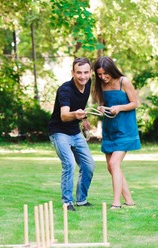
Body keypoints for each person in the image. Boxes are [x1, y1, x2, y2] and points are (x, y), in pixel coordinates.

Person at [92, 56, 141, 209]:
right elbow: (103, 103)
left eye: (105, 74)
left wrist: (119, 107)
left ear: (111, 70)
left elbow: (135, 103)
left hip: (125, 129)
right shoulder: (100, 84)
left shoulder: (123, 81)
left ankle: (116, 203)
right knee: (111, 167)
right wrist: (101, 107)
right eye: (99, 74)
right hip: (110, 129)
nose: (103, 77)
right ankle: (130, 202)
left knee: (114, 163)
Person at [48, 57, 95, 211]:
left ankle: (81, 200)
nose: (83, 76)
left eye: (86, 72)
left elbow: (80, 106)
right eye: (79, 72)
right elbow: (64, 115)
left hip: (75, 131)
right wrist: (77, 115)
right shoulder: (65, 90)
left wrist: (85, 119)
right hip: (59, 131)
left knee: (89, 165)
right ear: (72, 73)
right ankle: (67, 202)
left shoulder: (87, 84)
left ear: (90, 72)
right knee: (69, 163)